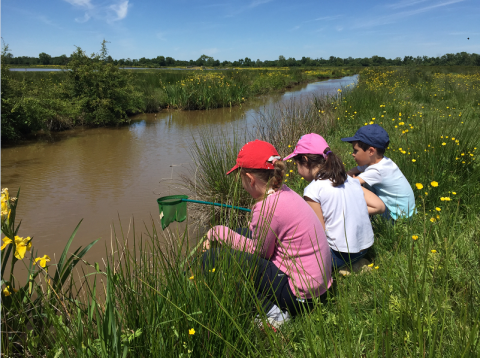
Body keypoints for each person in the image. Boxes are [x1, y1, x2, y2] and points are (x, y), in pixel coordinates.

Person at [202, 139, 332, 319]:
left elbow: (259, 252)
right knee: (241, 233)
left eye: (241, 178)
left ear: (250, 179)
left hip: (301, 295)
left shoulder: (267, 208)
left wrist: (219, 232)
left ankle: (273, 313)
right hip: (319, 283)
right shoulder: (284, 191)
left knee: (213, 257)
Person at [284, 133, 375, 270]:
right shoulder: (348, 179)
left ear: (305, 159)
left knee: (286, 255)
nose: (297, 170)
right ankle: (355, 264)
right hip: (365, 248)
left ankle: (343, 267)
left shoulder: (313, 190)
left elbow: (317, 234)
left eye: (296, 164)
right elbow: (379, 205)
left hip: (341, 255)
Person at [341, 124, 416, 220]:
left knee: (353, 189)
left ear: (371, 151)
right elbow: (356, 170)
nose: (353, 154)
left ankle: (352, 212)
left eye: (356, 151)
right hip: (406, 211)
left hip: (398, 217)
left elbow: (350, 184)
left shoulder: (377, 171)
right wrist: (347, 175)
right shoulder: (381, 162)